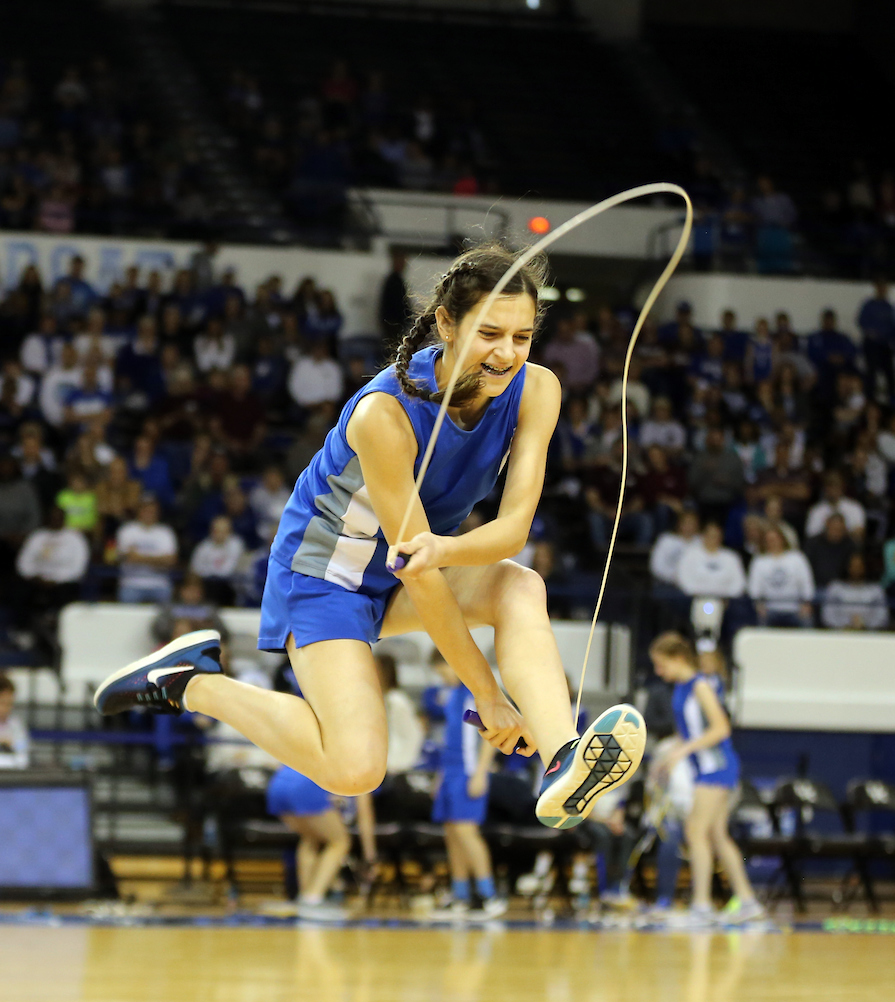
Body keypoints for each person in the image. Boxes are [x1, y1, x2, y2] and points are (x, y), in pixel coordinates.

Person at [93, 243, 642, 831]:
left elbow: (510, 533)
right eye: (489, 333)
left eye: (522, 336)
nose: (507, 353)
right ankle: (192, 683)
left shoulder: (538, 390)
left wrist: (445, 549)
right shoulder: (383, 415)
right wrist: (486, 693)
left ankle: (564, 755)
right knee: (355, 771)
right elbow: (423, 577)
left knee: (520, 586)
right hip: (326, 575)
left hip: (414, 561)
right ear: (447, 324)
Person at [649, 632, 763, 926]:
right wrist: (670, 753)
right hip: (706, 767)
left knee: (695, 831)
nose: (658, 672)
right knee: (717, 835)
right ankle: (748, 901)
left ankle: (701, 905)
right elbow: (690, 731)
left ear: (677, 659)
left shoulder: (700, 685)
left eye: (661, 665)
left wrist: (684, 750)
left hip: (717, 766)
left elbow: (721, 729)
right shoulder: (681, 688)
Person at [428, 650, 506, 919]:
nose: (442, 677)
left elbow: (488, 735)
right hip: (449, 772)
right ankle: (460, 896)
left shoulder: (472, 694)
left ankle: (489, 895)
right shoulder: (452, 696)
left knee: (466, 832)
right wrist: (440, 777)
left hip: (467, 772)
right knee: (452, 833)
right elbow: (449, 741)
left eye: (444, 670)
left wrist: (481, 773)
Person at [266, 766, 352, 919]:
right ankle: (313, 898)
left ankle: (305, 897)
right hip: (306, 783)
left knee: (310, 839)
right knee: (340, 842)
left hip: (279, 783)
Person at [747, 527, 815, 627]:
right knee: (759, 620)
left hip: (795, 608)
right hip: (769, 609)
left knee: (807, 620)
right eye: (769, 540)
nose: (773, 542)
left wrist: (806, 603)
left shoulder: (797, 558)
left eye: (775, 539)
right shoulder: (759, 561)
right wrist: (758, 605)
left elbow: (807, 582)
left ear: (782, 539)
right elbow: (754, 588)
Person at [116, 495, 178, 604]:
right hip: (131, 583)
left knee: (166, 612)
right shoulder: (127, 530)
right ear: (139, 511)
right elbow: (126, 558)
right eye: (145, 510)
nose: (149, 513)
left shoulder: (166, 532)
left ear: (157, 512)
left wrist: (139, 557)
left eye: (152, 511)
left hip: (160, 583)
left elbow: (170, 561)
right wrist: (158, 560)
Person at [0, 675, 29, 769]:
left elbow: (23, 751)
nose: (6, 709)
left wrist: (12, 744)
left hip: (12, 776)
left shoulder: (15, 724)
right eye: (2, 703)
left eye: (10, 704)